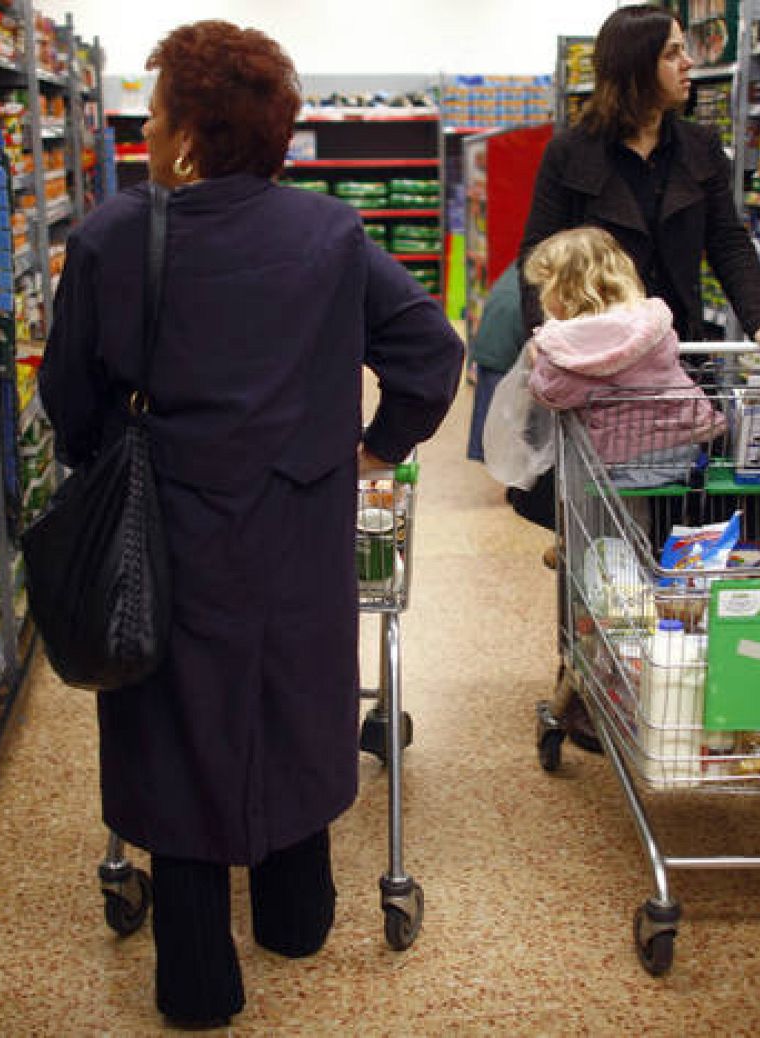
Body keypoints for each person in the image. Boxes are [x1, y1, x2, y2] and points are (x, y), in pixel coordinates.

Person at [38, 21, 462, 1029]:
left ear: (186, 134)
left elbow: (68, 399)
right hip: (296, 519)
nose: (147, 126)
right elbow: (430, 354)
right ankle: (295, 915)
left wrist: (116, 453)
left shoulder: (110, 237)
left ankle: (195, 976)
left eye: (157, 111)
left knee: (175, 721)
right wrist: (372, 447)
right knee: (290, 697)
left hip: (165, 531)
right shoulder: (326, 235)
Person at [515, 3, 760, 751]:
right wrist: (549, 349)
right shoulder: (572, 153)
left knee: (692, 526)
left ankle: (686, 668)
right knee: (603, 538)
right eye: (676, 53)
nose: (690, 65)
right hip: (598, 373)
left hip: (678, 361)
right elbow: (537, 259)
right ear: (638, 62)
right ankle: (588, 676)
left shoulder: (700, 147)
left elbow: (729, 243)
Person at [524, 226, 725, 486]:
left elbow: (553, 394)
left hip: (618, 459)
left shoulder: (565, 343)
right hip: (684, 446)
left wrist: (538, 363)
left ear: (561, 290)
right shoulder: (653, 322)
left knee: (612, 518)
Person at [465, 263, 526, 462]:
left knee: (489, 411)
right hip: (502, 349)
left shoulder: (519, 267)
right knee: (498, 418)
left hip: (492, 343)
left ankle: (488, 454)